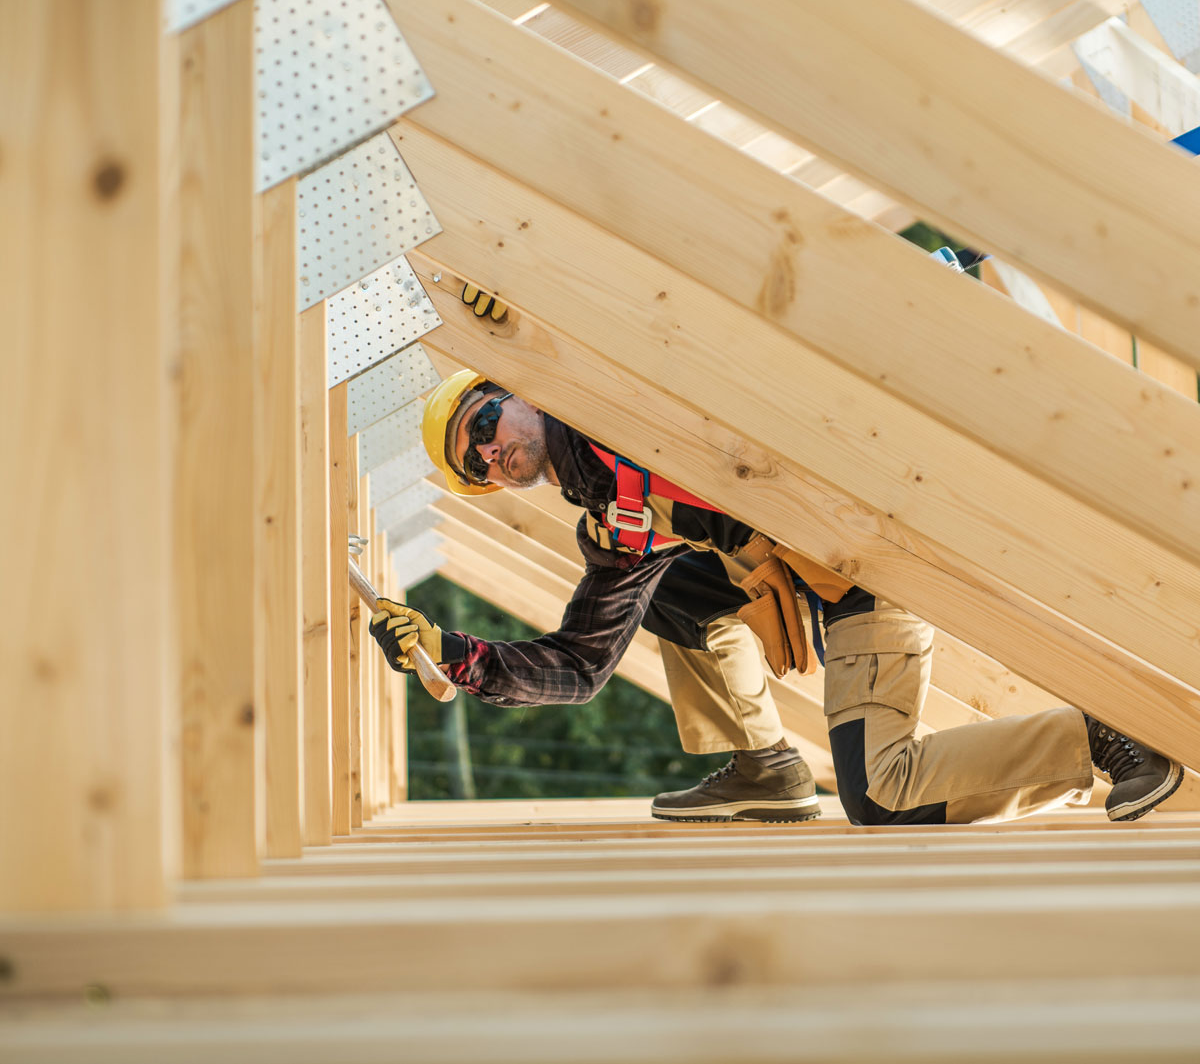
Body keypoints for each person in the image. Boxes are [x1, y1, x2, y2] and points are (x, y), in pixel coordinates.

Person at [371, 313, 1182, 827]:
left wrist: (515, 309)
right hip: (839, 576)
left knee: (883, 793)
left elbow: (636, 306)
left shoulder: (605, 384)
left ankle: (1100, 738)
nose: (488, 449)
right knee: (657, 591)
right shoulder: (610, 523)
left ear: (516, 390)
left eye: (483, 420)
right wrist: (456, 655)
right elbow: (580, 664)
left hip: (868, 546)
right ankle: (766, 762)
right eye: (476, 464)